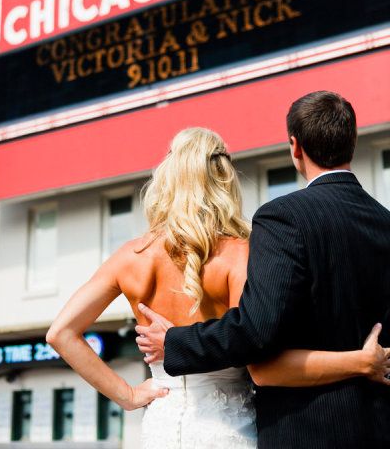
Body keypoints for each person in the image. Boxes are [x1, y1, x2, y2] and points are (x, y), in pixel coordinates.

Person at [46, 125, 390, 448]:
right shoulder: (240, 253)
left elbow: (61, 334)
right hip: (228, 429)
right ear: (223, 179)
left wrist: (129, 396)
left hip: (162, 427)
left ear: (169, 177)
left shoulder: (129, 256)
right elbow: (257, 349)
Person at [136, 93, 390, 449]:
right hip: (379, 426)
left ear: (295, 146)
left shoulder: (283, 217)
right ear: (352, 140)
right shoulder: (385, 222)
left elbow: (255, 329)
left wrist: (177, 342)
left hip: (306, 431)